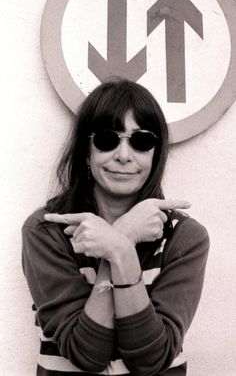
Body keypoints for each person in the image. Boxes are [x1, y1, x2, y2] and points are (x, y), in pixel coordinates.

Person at [22, 78, 209, 376]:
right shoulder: (47, 231)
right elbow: (86, 353)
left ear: (155, 154)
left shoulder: (185, 238)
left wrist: (118, 247)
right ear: (86, 151)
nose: (123, 155)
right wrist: (122, 243)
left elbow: (151, 360)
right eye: (107, 140)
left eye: (141, 141)